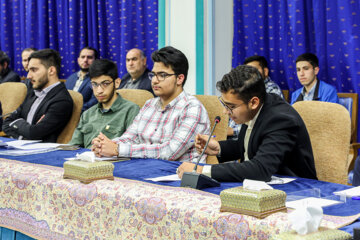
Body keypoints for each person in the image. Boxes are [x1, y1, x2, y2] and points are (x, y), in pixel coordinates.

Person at [177, 65, 317, 182]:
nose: (226, 112)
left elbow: (260, 169)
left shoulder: (281, 119)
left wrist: (201, 170)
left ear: (253, 102)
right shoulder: (254, 108)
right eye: (224, 104)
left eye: (231, 107)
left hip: (297, 191)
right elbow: (250, 145)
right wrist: (219, 147)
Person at [91, 46, 210, 162]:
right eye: (153, 75)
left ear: (179, 79)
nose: (154, 80)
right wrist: (106, 145)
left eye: (162, 75)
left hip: (177, 174)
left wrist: (118, 149)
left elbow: (170, 152)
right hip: (144, 168)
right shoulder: (149, 104)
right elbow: (130, 137)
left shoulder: (192, 108)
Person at [2, 49, 73, 142]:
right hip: (20, 147)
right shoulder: (33, 92)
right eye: (29, 70)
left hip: (42, 153)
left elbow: (34, 133)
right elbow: (6, 123)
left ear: (51, 70)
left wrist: (17, 123)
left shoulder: (61, 100)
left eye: (33, 70)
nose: (28, 76)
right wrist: (23, 134)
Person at [68, 59, 140, 148]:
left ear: (117, 83)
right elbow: (73, 146)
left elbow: (132, 145)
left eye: (105, 84)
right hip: (86, 159)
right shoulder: (87, 114)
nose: (99, 91)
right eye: (94, 84)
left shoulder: (131, 110)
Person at [228, 55, 284, 140]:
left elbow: (264, 125)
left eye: (254, 70)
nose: (250, 75)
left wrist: (232, 131)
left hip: (249, 140)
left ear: (265, 71)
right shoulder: (244, 88)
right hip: (233, 140)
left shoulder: (272, 90)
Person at [65, 47, 98, 111]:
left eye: (89, 57)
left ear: (95, 60)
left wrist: (73, 111)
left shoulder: (98, 79)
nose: (85, 60)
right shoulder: (70, 78)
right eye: (83, 57)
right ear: (78, 60)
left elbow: (93, 103)